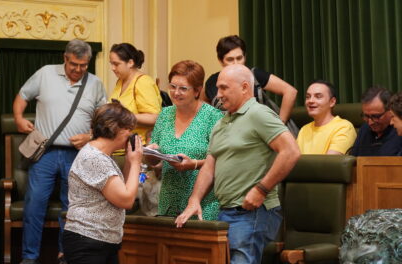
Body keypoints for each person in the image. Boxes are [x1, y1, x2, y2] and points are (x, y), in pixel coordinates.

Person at [175, 64, 300, 264]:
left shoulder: (259, 114)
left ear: (244, 87)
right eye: (218, 88)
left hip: (252, 212)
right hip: (226, 211)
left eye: (224, 88)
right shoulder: (221, 123)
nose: (218, 94)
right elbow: (210, 166)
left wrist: (261, 189)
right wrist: (194, 200)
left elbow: (291, 151)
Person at [13, 39, 107, 264]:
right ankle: (29, 258)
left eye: (83, 65)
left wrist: (91, 137)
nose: (78, 70)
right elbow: (21, 96)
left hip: (78, 155)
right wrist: (18, 118)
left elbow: (104, 120)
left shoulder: (95, 83)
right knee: (34, 204)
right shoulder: (45, 73)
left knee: (73, 209)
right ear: (65, 58)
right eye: (74, 64)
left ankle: (67, 256)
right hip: (45, 153)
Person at [63, 102, 143, 264]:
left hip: (102, 240)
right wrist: (136, 163)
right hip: (88, 240)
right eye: (128, 129)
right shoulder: (95, 158)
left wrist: (130, 160)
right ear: (116, 129)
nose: (130, 134)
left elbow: (124, 188)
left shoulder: (101, 156)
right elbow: (126, 200)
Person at [147, 60, 223, 220]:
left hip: (203, 204)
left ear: (197, 91)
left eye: (183, 89)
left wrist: (193, 164)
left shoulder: (213, 116)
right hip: (168, 201)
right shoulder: (165, 114)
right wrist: (152, 156)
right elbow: (157, 166)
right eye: (172, 87)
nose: (176, 93)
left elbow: (222, 161)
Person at [202, 35, 297, 124]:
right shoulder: (212, 82)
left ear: (245, 57)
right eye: (230, 59)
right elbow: (203, 105)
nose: (236, 63)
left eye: (239, 58)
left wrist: (279, 124)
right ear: (221, 60)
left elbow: (290, 91)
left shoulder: (254, 75)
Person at [109, 43, 162, 145]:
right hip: (120, 145)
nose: (112, 68)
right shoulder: (120, 81)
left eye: (116, 64)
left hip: (139, 146)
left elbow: (155, 118)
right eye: (111, 64)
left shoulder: (143, 82)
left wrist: (125, 115)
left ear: (130, 63)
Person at [297, 80, 356, 154]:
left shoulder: (344, 127)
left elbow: (330, 163)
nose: (310, 101)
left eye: (318, 97)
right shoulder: (304, 129)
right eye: (308, 97)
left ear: (332, 102)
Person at [350, 86, 402, 156]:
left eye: (376, 116)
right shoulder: (364, 129)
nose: (370, 122)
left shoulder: (399, 130)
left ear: (390, 111)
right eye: (366, 116)